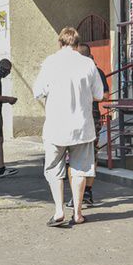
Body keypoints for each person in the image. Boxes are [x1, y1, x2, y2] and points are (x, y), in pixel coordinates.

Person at [33, 27, 104, 227]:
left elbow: (37, 91)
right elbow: (99, 94)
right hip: (82, 126)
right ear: (78, 44)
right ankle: (78, 213)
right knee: (80, 169)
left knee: (54, 168)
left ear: (60, 43)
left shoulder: (50, 62)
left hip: (55, 126)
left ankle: (58, 211)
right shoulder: (88, 63)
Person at [65, 44, 109, 208]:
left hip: (88, 116)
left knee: (87, 154)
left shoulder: (96, 72)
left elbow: (105, 95)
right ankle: (79, 194)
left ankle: (85, 192)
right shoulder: (73, 71)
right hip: (76, 116)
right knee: (76, 155)